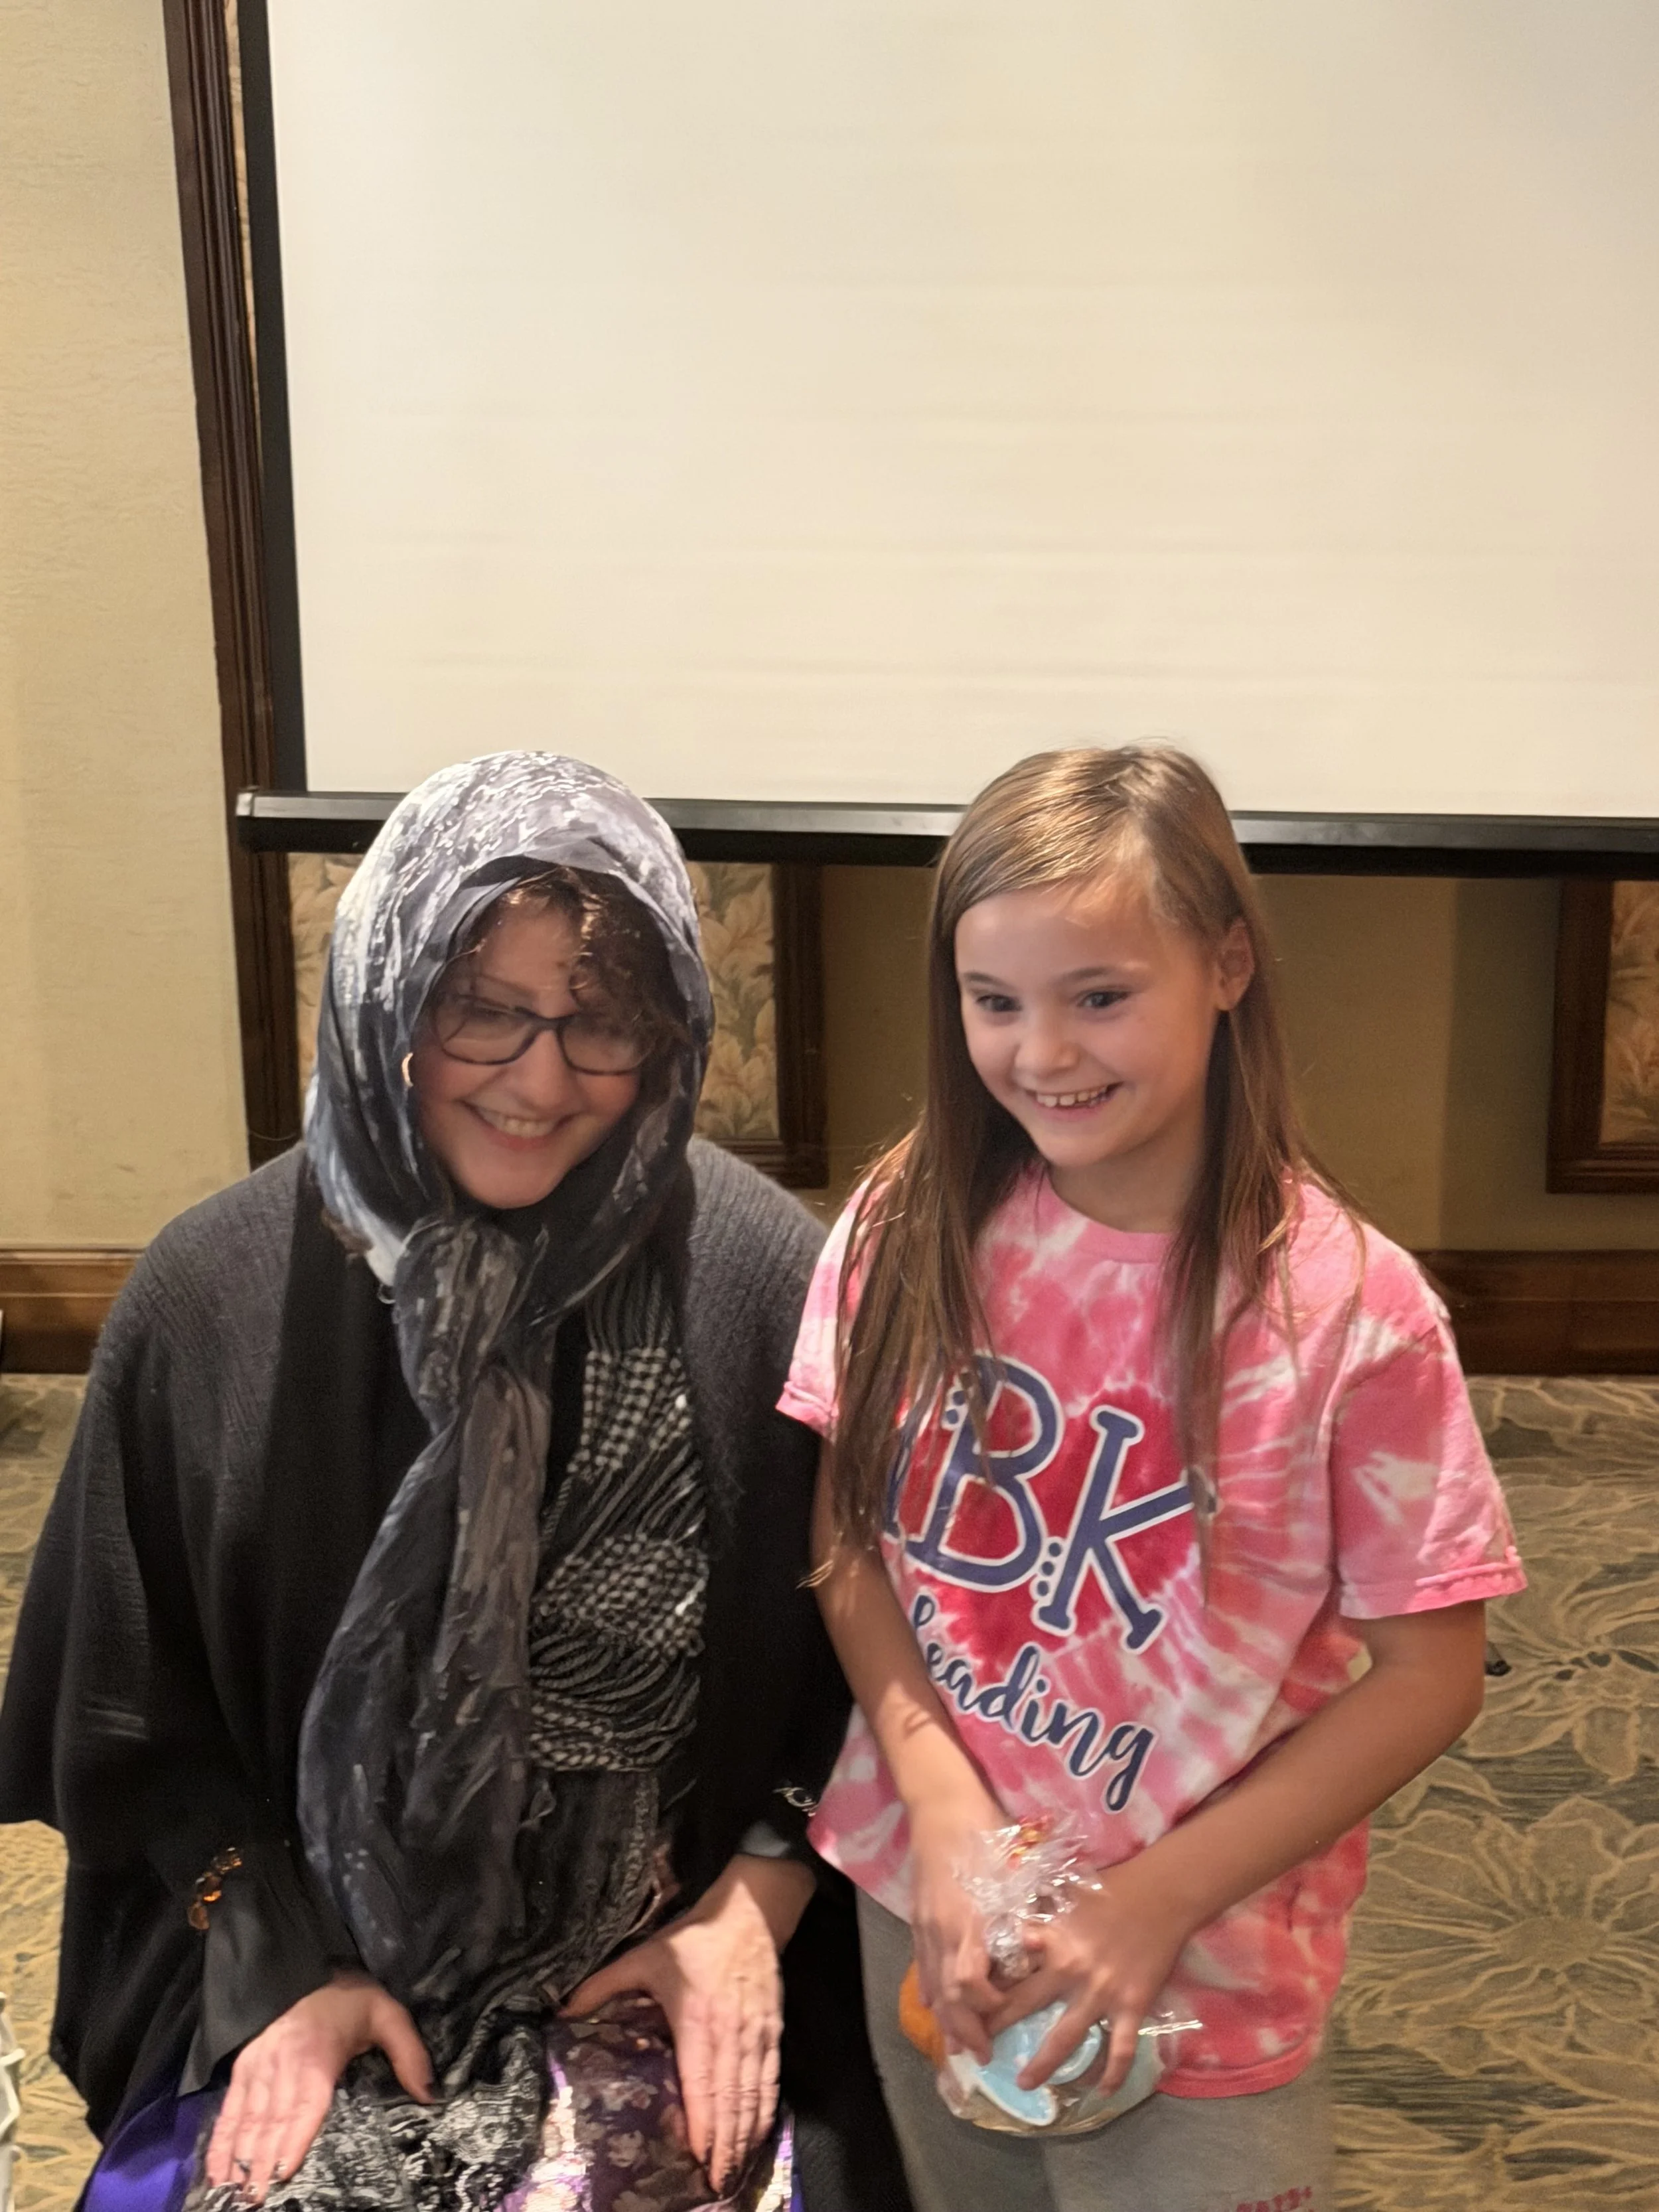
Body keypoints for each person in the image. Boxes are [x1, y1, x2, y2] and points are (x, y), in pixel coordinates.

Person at [0, 753, 909, 2212]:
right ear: (383, 994)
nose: (540, 1078)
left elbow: (869, 1679)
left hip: (672, 1937)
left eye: (600, 1022)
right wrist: (279, 1954)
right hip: (300, 1940)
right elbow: (135, 1726)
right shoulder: (211, 1294)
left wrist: (760, 1894)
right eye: (480, 1008)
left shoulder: (760, 1285)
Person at [782, 745, 1526, 2212]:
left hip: (1201, 1956)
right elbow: (847, 1530)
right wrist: (934, 1805)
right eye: (992, 1002)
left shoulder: (1350, 1313)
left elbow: (1427, 1674)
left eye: (1098, 996)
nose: (1041, 1053)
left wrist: (1150, 1899)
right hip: (929, 1900)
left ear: (1227, 963)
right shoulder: (904, 1217)